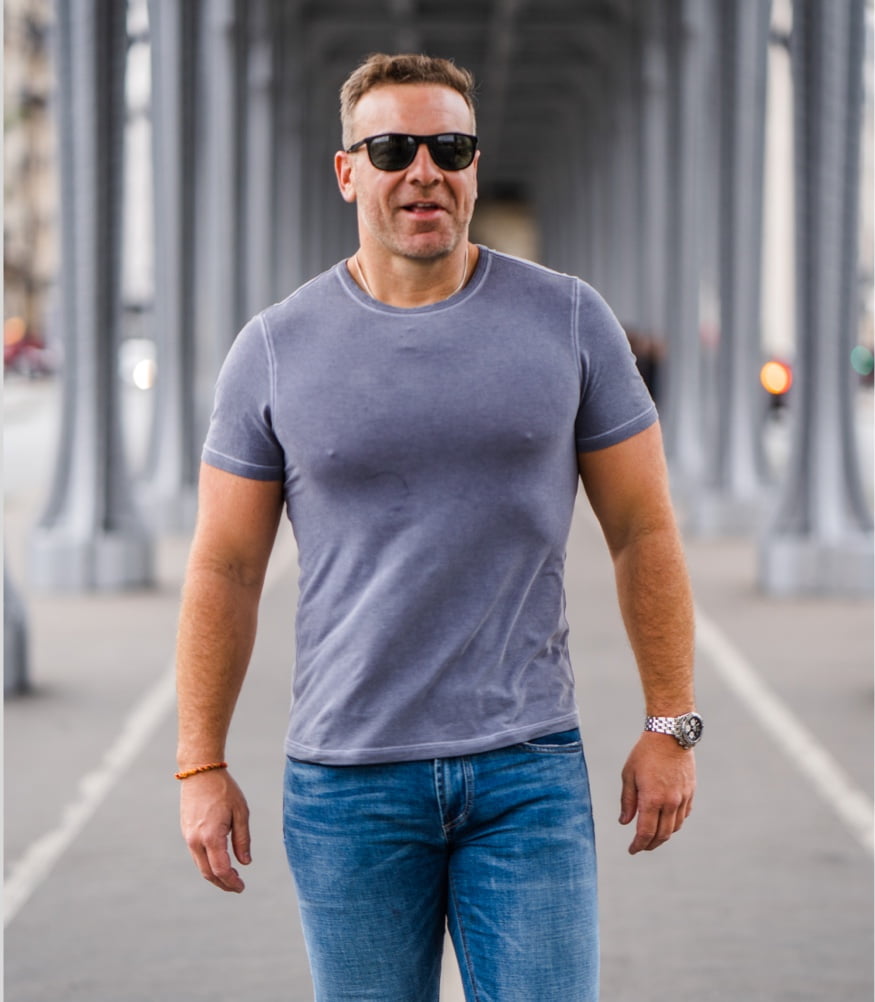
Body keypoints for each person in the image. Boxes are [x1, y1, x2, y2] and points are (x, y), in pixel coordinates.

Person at [175, 52, 700, 1002]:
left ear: (471, 162)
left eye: (447, 147)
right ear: (347, 171)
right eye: (391, 148)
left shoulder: (571, 320)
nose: (423, 169)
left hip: (526, 775)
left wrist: (672, 722)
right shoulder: (274, 349)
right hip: (346, 785)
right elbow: (225, 566)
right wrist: (199, 762)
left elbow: (643, 531)